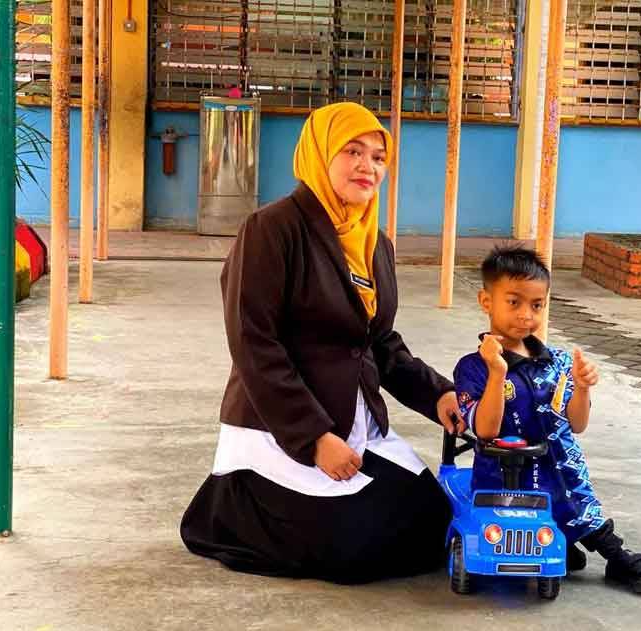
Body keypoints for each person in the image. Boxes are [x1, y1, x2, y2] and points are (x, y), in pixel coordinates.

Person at [180, 102, 464, 584]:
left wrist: (439, 394)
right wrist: (312, 438)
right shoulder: (271, 230)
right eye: (352, 151)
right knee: (355, 552)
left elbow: (381, 344)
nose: (367, 166)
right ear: (319, 153)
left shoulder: (375, 244)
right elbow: (254, 345)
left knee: (432, 519)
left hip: (354, 420)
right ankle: (226, 511)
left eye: (378, 157)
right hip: (282, 427)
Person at [453, 246, 641, 594]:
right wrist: (497, 373)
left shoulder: (556, 361)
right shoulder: (472, 367)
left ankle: (616, 556)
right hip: (506, 479)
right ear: (486, 301)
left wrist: (582, 389)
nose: (526, 315)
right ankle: (564, 546)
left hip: (561, 470)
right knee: (520, 525)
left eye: (536, 305)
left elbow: (577, 422)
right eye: (514, 302)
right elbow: (485, 429)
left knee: (580, 509)